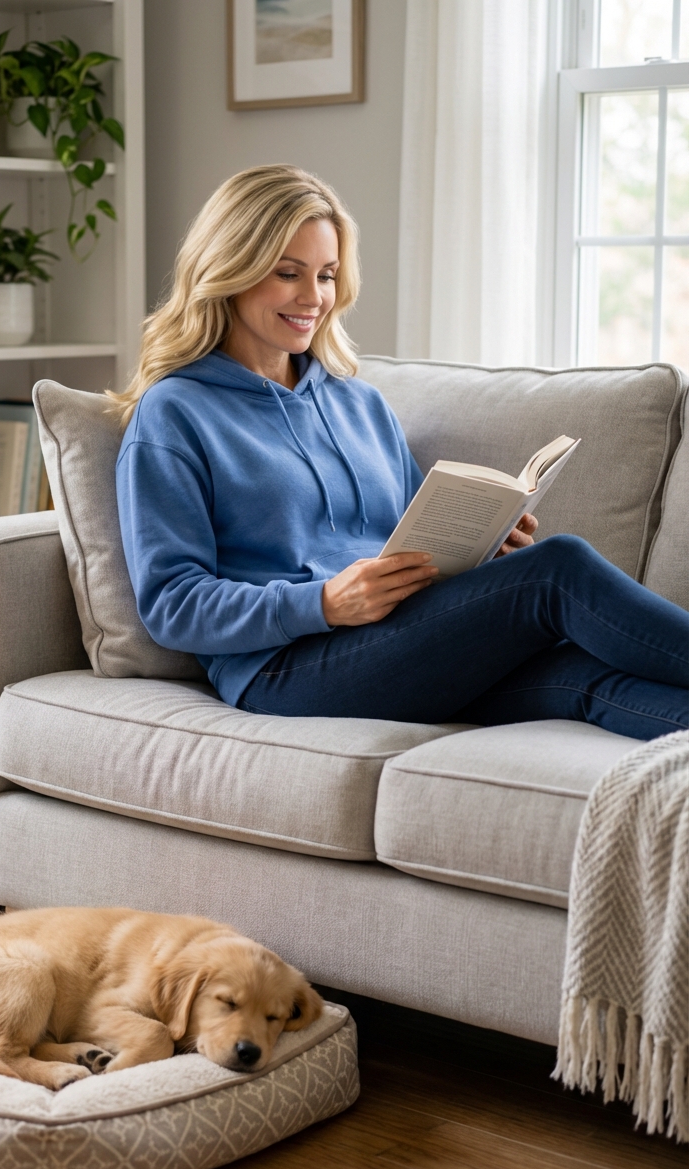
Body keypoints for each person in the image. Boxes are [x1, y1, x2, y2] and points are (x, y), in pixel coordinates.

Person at [111, 165, 688, 742]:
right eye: (289, 274)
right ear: (229, 271)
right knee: (557, 570)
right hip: (285, 667)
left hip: (400, 639)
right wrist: (324, 603)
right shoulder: (175, 412)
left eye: (328, 276)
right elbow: (172, 603)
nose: (314, 298)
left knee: (591, 679)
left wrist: (486, 550)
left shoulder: (359, 404)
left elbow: (413, 543)